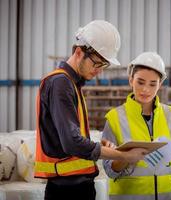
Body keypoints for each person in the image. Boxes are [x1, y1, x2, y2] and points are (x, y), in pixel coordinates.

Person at [34, 20, 147, 200]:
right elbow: (72, 143)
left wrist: (97, 145)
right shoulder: (60, 84)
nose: (99, 72)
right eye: (97, 64)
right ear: (79, 52)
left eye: (103, 65)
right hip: (67, 191)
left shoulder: (71, 84)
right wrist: (124, 155)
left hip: (75, 187)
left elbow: (68, 140)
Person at [102, 52, 171, 200]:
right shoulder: (114, 118)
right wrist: (127, 157)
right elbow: (110, 171)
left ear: (160, 84)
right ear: (131, 80)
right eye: (140, 82)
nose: (146, 89)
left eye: (153, 84)